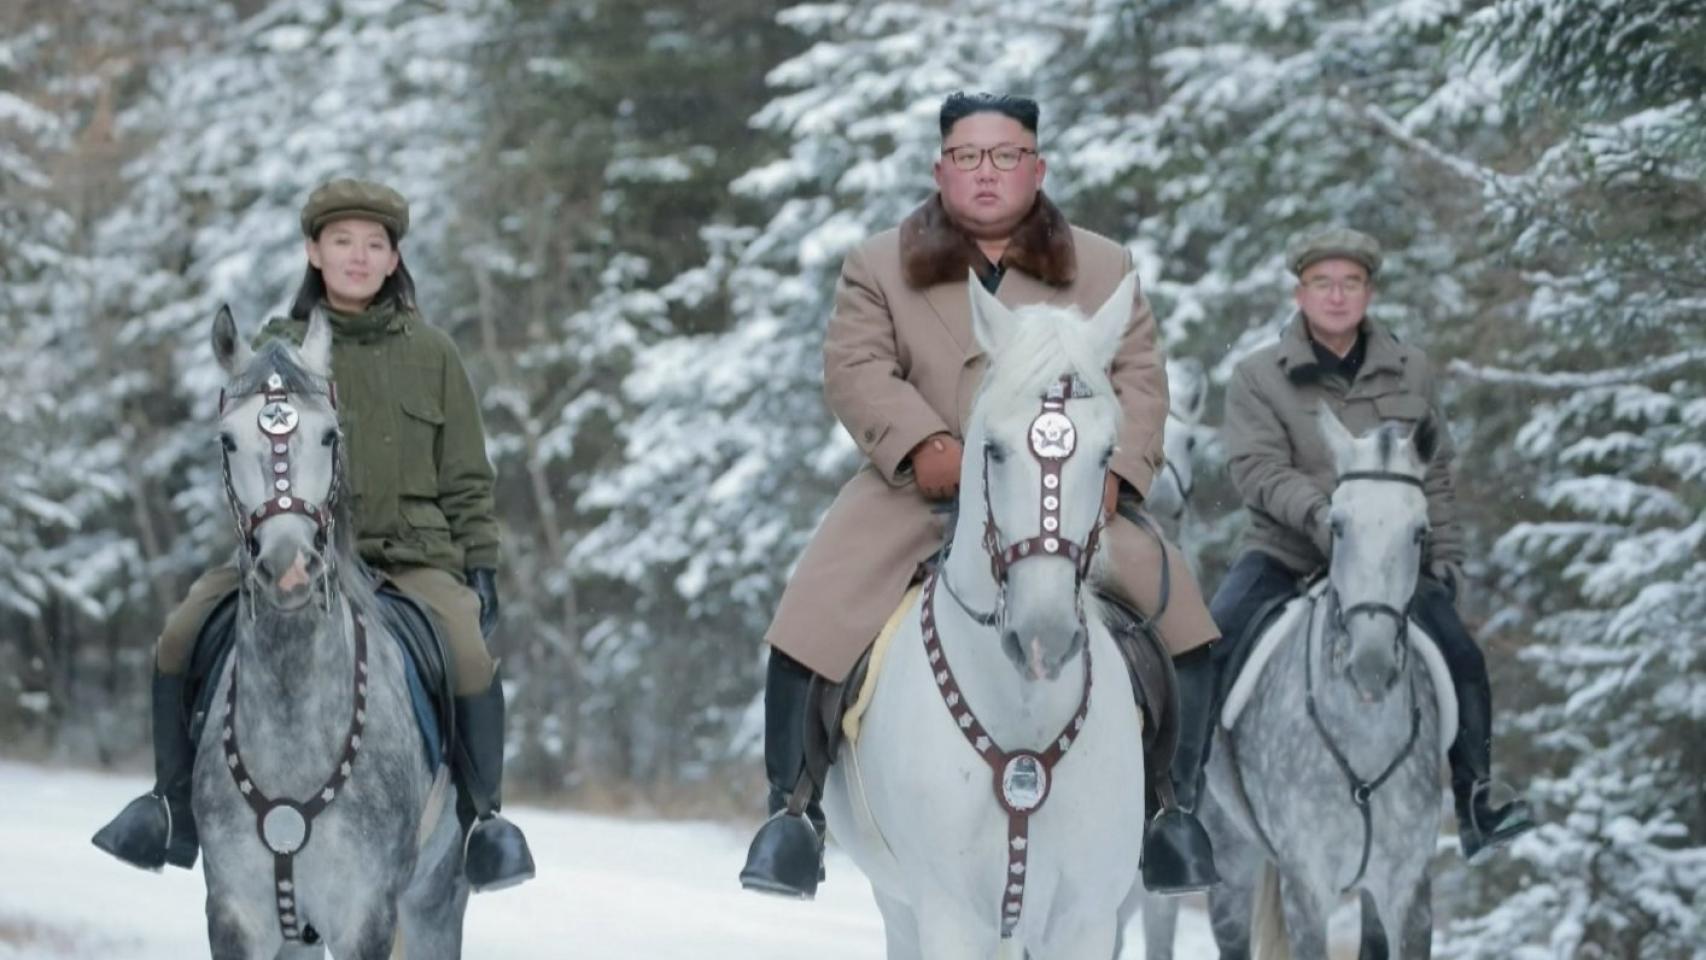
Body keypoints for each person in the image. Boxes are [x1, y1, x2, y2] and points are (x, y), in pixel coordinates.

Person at [738, 92, 1222, 898]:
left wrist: (1118, 472)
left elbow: (1141, 376)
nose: (986, 172)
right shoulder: (878, 265)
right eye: (968, 157)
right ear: (941, 169)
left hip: (1064, 497)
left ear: (1037, 167)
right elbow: (855, 367)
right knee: (810, 620)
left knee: (1188, 629)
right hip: (917, 492)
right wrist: (923, 443)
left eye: (1006, 156)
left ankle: (1174, 811)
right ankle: (793, 815)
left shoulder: (1105, 267)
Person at [92, 179, 536, 891]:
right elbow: (244, 453)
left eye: (374, 244)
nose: (358, 257)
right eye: (342, 242)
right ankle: (170, 806)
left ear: (394, 259)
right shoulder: (275, 351)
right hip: (291, 550)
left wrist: (479, 564)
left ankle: (484, 823)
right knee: (178, 636)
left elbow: (466, 477)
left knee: (469, 655)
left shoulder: (434, 354)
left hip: (412, 557)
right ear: (313, 251)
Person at [1212, 225, 1535, 861]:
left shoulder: (1412, 370)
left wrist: (1446, 555)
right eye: (1322, 283)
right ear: (1300, 293)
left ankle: (1476, 801)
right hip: (1285, 552)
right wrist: (1323, 516)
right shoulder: (1257, 375)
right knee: (1207, 650)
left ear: (1369, 293)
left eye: (1351, 283)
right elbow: (1256, 469)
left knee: (1463, 656)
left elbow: (1432, 472)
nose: (1336, 296)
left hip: (1389, 564)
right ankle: (1176, 811)